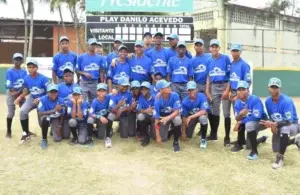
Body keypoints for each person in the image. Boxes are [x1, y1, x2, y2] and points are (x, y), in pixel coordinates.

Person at [260, 78, 300, 169]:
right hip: (279, 125)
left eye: (276, 87)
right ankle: (295, 141)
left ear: (280, 89)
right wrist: (272, 125)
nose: (273, 89)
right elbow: (272, 116)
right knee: (276, 149)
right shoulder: (267, 101)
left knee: (284, 129)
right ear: (268, 88)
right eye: (272, 87)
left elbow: (288, 121)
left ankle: (280, 158)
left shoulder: (286, 101)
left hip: (292, 125)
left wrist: (275, 124)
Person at [14, 58, 49, 143]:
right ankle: (26, 133)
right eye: (29, 67)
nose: (31, 69)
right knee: (22, 111)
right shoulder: (26, 78)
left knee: (42, 123)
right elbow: (27, 90)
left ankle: (47, 135)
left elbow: (50, 92)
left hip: (42, 99)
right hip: (32, 97)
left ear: (37, 68)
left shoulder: (44, 78)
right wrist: (20, 97)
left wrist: (41, 99)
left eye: (33, 67)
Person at [231, 81, 268, 160]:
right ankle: (262, 139)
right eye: (239, 89)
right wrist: (240, 115)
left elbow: (256, 117)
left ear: (248, 90)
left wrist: (241, 121)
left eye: (243, 89)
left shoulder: (254, 99)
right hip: (250, 122)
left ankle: (254, 152)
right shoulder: (237, 103)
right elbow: (237, 118)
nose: (241, 92)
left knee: (248, 124)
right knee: (249, 145)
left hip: (262, 121)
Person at [206, 39, 232, 146]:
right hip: (214, 86)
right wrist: (208, 91)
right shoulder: (209, 60)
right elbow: (208, 77)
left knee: (226, 112)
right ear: (210, 48)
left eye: (216, 46)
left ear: (219, 48)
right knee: (214, 111)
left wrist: (227, 90)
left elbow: (231, 75)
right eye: (213, 46)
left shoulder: (225, 58)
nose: (214, 48)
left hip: (225, 84)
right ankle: (214, 134)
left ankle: (227, 137)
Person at [154, 80, 182, 152]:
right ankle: (172, 130)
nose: (169, 87)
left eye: (169, 86)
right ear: (161, 90)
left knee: (177, 120)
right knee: (163, 139)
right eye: (167, 87)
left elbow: (177, 111)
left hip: (172, 116)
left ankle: (176, 142)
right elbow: (156, 119)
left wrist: (168, 117)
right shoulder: (157, 100)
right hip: (163, 118)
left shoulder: (175, 95)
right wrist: (158, 135)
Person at [76, 38, 105, 104]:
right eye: (92, 44)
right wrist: (84, 73)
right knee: (82, 101)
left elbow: (101, 71)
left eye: (94, 44)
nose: (93, 46)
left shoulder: (99, 57)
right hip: (84, 82)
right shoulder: (81, 57)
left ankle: (91, 114)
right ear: (88, 45)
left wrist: (102, 83)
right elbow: (77, 70)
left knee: (94, 102)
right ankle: (84, 113)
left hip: (94, 82)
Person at [5, 53, 27, 138]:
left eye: (19, 59)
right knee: (11, 113)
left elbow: (25, 84)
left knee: (24, 111)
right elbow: (9, 85)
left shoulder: (24, 71)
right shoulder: (9, 71)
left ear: (22, 61)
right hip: (12, 94)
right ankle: (8, 131)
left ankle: (26, 130)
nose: (18, 61)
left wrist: (21, 92)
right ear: (13, 60)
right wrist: (16, 92)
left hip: (21, 93)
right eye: (16, 59)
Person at [181, 81, 209, 149]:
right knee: (188, 135)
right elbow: (184, 117)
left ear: (196, 89)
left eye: (193, 89)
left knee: (203, 118)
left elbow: (203, 111)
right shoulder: (185, 101)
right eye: (189, 90)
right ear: (187, 91)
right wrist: (183, 132)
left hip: (199, 116)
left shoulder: (202, 96)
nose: (191, 92)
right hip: (192, 118)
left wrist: (191, 116)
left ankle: (203, 139)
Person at [86, 83, 114, 147]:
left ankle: (108, 137)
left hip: (105, 117)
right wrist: (99, 117)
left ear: (106, 92)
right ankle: (90, 138)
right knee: (90, 120)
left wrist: (114, 91)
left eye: (103, 91)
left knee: (101, 137)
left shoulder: (108, 97)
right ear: (97, 92)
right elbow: (90, 114)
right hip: (97, 118)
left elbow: (114, 94)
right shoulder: (94, 102)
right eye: (99, 91)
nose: (101, 92)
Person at [38, 84, 65, 149]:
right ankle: (44, 139)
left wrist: (60, 126)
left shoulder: (61, 100)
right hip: (46, 117)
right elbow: (40, 113)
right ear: (47, 93)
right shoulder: (42, 99)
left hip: (55, 118)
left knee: (57, 139)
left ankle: (52, 130)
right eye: (51, 92)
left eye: (55, 92)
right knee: (45, 119)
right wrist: (54, 110)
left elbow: (62, 114)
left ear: (58, 93)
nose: (53, 94)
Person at [137, 81, 155, 146]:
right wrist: (146, 111)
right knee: (140, 116)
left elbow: (158, 109)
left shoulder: (154, 97)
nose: (143, 91)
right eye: (142, 89)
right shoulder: (141, 97)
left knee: (155, 137)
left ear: (149, 90)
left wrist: (153, 111)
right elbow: (139, 109)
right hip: (146, 116)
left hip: (154, 117)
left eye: (145, 89)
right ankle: (145, 136)